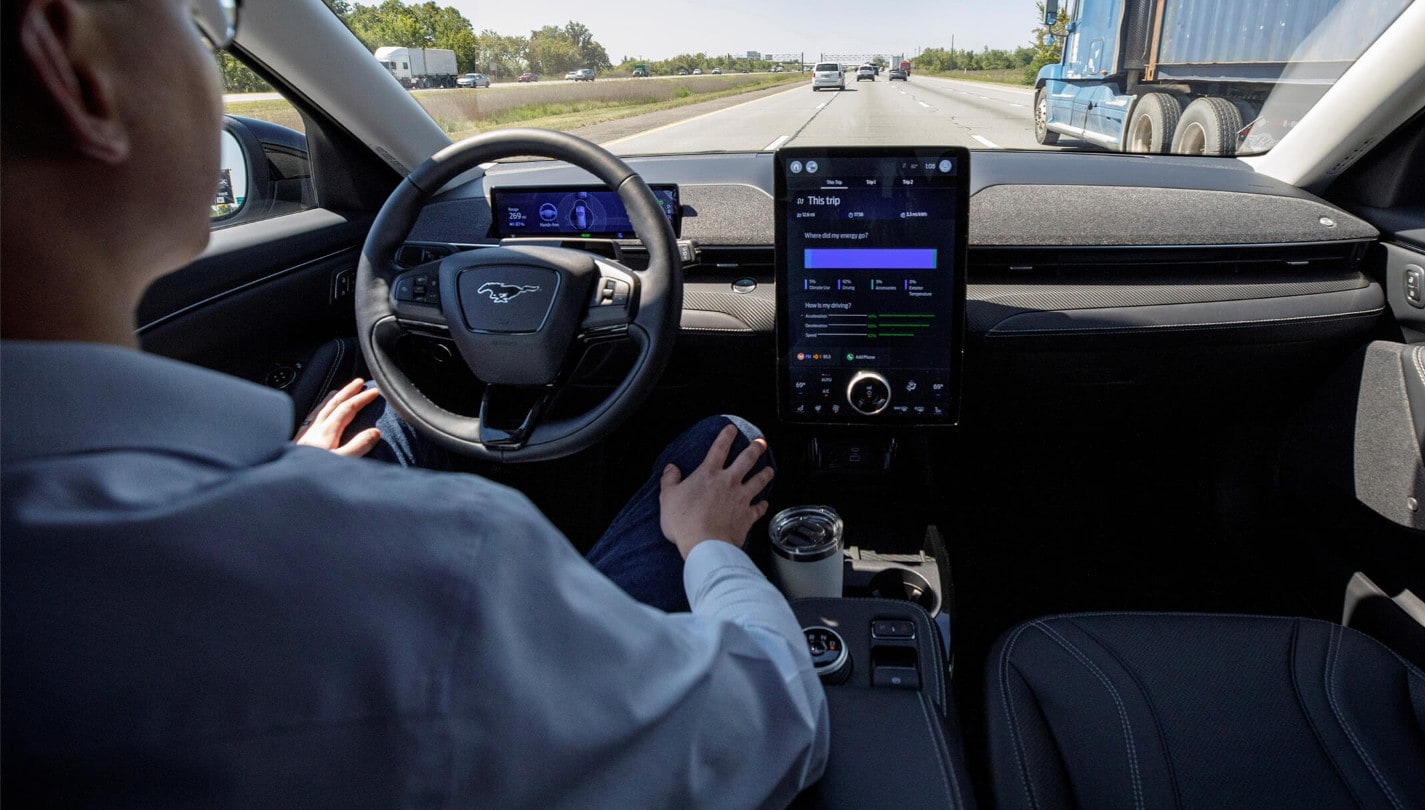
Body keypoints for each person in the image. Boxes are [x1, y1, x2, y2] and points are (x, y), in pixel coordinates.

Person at [0, 0, 828, 805]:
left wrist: (291, 476)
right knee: (722, 439)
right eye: (200, 23)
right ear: (73, 65)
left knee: (386, 422)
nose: (210, 64)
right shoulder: (444, 572)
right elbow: (779, 721)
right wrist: (709, 548)